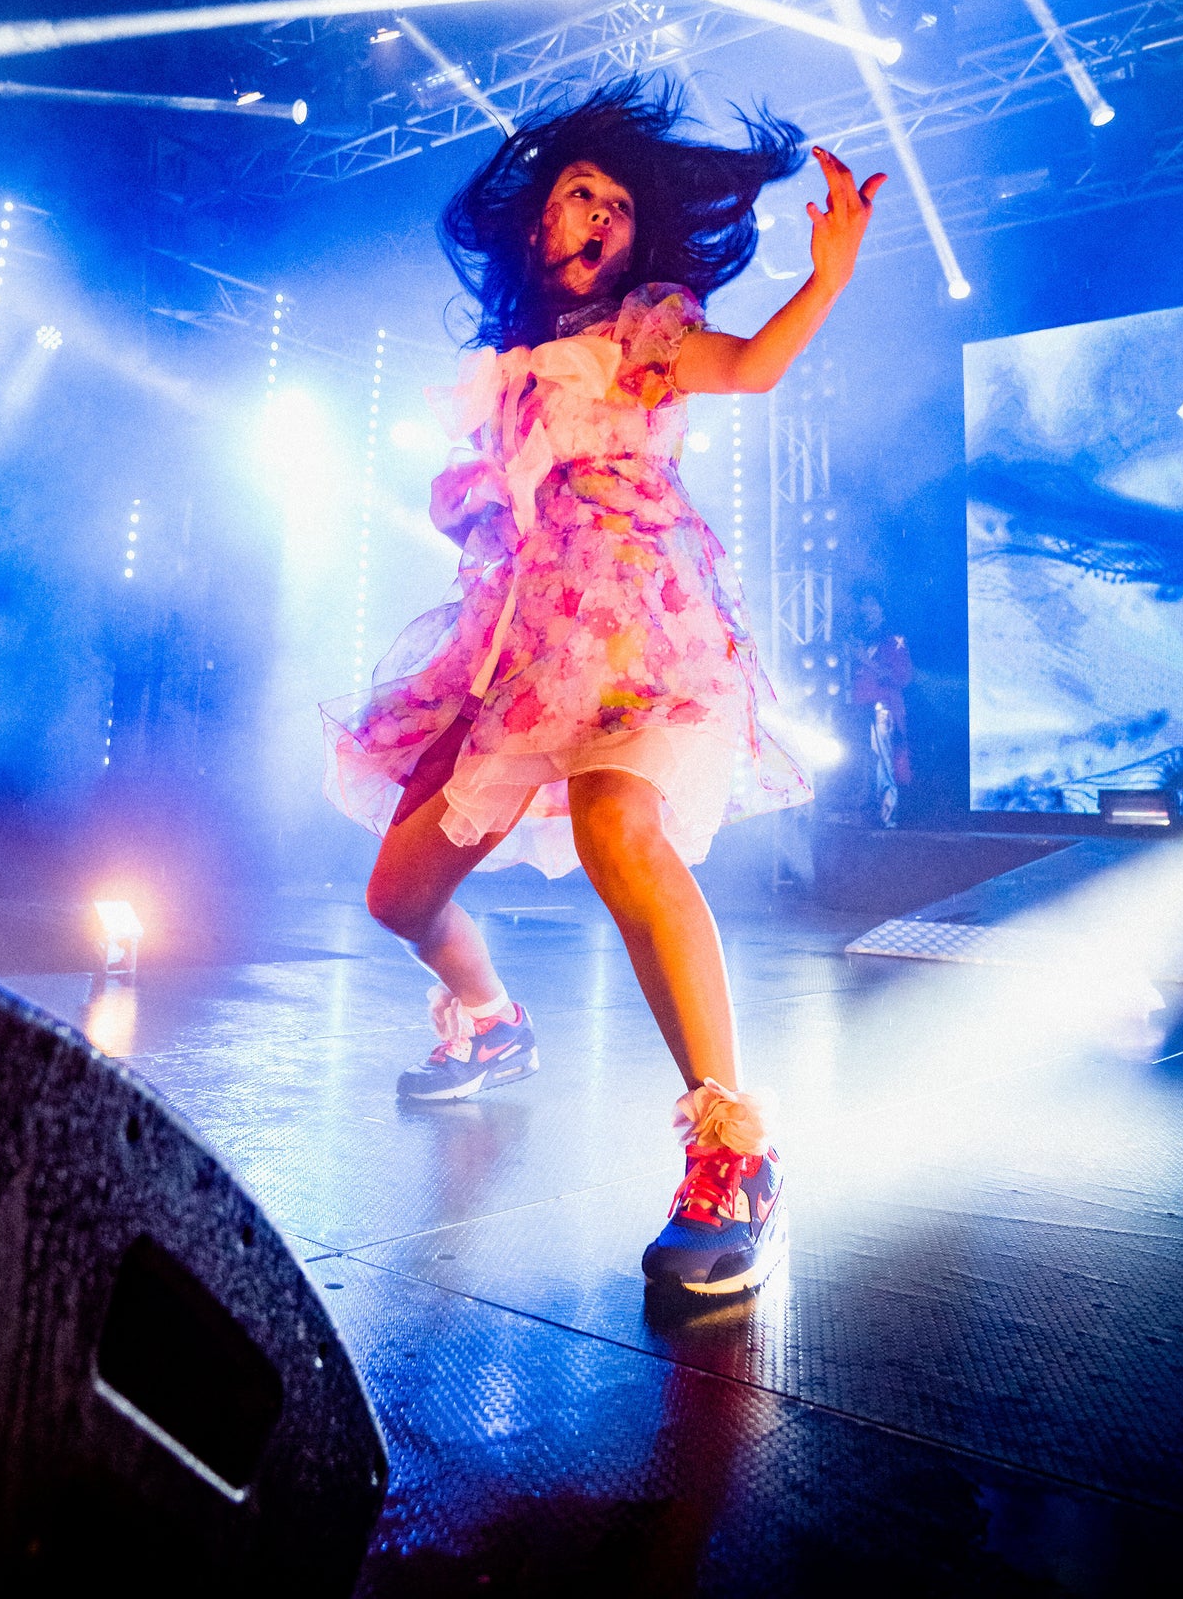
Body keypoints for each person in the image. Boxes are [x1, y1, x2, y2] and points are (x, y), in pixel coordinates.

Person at [322, 81, 884, 1298]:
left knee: (615, 823)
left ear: (637, 243)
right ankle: (491, 1017)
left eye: (618, 204)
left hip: (638, 639)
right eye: (578, 191)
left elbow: (747, 369)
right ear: (537, 223)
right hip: (512, 659)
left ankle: (733, 1154)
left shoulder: (644, 327)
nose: (594, 211)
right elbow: (505, 498)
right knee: (395, 894)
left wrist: (824, 278)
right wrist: (476, 504)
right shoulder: (505, 363)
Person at [847, 591, 913, 827]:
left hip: (883, 707)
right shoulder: (860, 636)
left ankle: (889, 816)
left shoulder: (892, 639)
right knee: (865, 759)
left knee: (884, 761)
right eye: (862, 604)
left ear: (880, 608)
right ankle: (867, 813)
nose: (865, 609)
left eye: (869, 604)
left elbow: (902, 676)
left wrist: (865, 660)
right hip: (860, 706)